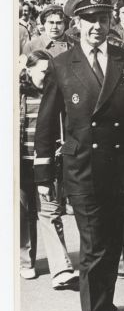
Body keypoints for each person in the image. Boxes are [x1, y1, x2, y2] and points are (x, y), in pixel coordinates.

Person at [33, 0, 124, 311]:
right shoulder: (62, 66)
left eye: (103, 18)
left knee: (112, 243)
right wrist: (43, 174)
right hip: (83, 169)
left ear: (111, 22)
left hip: (122, 167)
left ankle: (104, 305)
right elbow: (47, 124)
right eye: (89, 18)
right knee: (94, 245)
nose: (97, 25)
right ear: (77, 23)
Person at [20, 50, 80, 289]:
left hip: (46, 163)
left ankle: (61, 268)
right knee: (22, 213)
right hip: (20, 163)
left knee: (50, 212)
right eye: (43, 72)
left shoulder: (57, 96)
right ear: (29, 70)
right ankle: (25, 261)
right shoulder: (18, 95)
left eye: (51, 73)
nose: (47, 78)